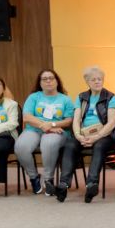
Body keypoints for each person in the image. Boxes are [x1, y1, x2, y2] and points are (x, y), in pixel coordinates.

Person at [15, 69, 76, 202]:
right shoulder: (34, 97)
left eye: (51, 78)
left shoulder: (65, 99)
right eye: (44, 79)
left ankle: (48, 179)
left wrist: (52, 125)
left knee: (48, 143)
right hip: (34, 129)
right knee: (21, 146)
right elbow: (27, 117)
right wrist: (44, 125)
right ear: (40, 83)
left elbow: (69, 120)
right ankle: (34, 177)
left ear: (57, 81)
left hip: (58, 131)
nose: (48, 81)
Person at [70, 66, 115, 203]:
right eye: (93, 79)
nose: (97, 82)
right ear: (87, 82)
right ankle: (63, 183)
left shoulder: (110, 97)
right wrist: (78, 135)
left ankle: (91, 184)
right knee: (69, 144)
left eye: (99, 79)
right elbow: (76, 120)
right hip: (85, 134)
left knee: (99, 146)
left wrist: (95, 137)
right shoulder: (81, 97)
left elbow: (112, 123)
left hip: (106, 136)